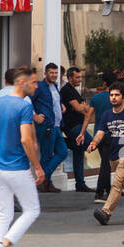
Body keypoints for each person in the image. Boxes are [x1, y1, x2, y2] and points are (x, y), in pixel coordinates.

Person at [0, 67, 44, 247]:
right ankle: (5, 245)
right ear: (21, 83)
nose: (36, 86)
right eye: (33, 82)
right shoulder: (24, 106)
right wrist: (37, 166)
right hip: (17, 169)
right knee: (32, 210)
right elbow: (26, 139)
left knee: (4, 213)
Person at [87, 83, 124, 225]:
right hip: (113, 156)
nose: (113, 98)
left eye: (117, 95)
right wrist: (93, 143)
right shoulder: (107, 115)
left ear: (123, 97)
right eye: (111, 95)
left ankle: (106, 212)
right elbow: (100, 133)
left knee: (116, 184)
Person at [31, 63, 68, 193]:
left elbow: (53, 101)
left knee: (63, 152)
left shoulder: (55, 86)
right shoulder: (40, 87)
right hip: (46, 125)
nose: (54, 75)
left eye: (56, 73)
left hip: (57, 125)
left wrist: (61, 105)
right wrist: (34, 116)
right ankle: (46, 182)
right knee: (46, 155)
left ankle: (44, 179)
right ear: (45, 74)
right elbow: (27, 100)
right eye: (51, 73)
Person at [59, 67, 93, 193]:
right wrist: (82, 107)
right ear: (69, 78)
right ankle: (62, 142)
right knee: (91, 144)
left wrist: (83, 107)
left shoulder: (74, 90)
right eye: (77, 77)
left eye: (80, 77)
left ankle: (80, 183)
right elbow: (79, 108)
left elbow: (86, 107)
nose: (80, 79)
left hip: (78, 125)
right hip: (72, 127)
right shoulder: (67, 90)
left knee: (79, 153)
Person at [88, 72, 115, 201]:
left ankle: (106, 190)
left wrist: (83, 132)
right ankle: (101, 191)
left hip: (98, 133)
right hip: (112, 134)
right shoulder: (116, 98)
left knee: (105, 163)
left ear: (104, 83)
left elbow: (88, 115)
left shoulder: (96, 98)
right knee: (106, 164)